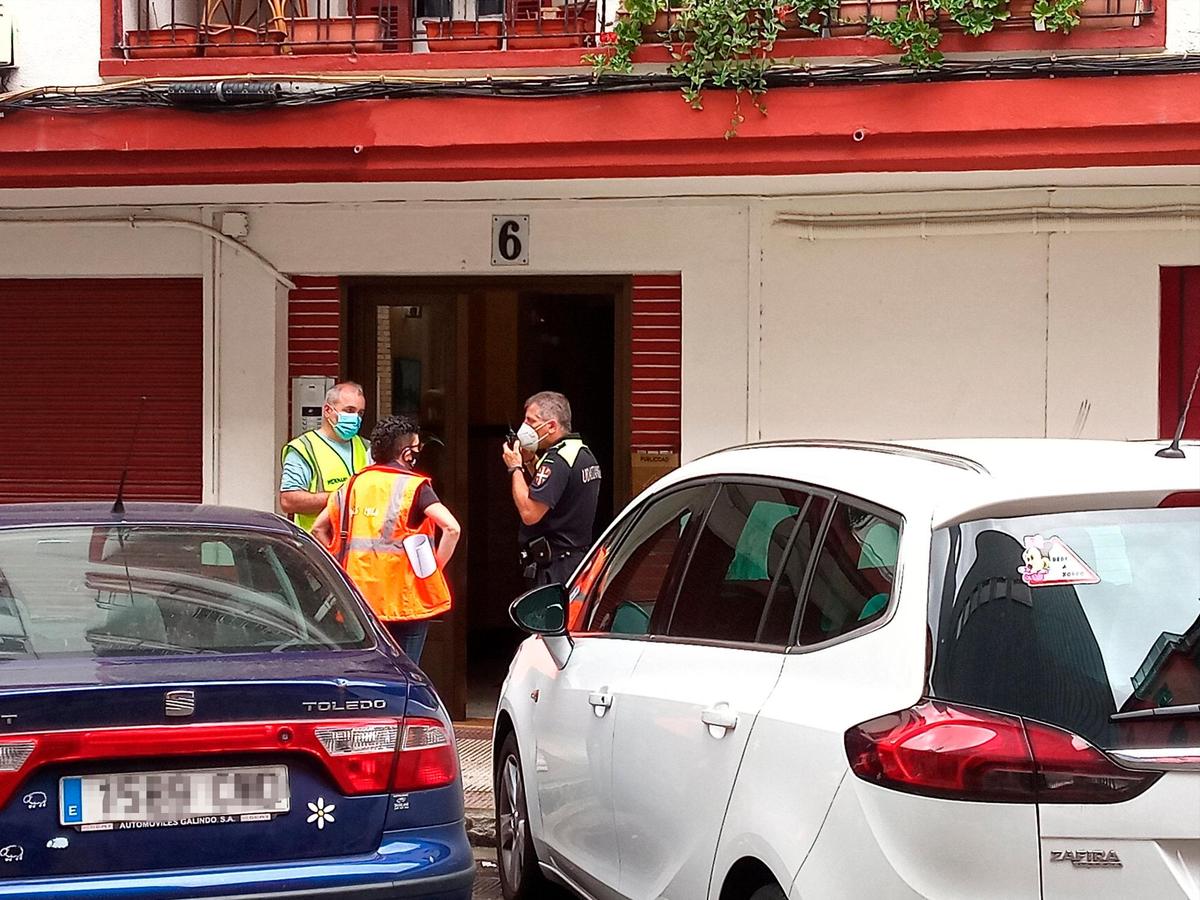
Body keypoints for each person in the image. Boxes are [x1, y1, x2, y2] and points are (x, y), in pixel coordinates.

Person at [312, 416, 461, 665]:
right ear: (406, 453)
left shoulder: (351, 486)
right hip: (405, 601)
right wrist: (433, 570)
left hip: (356, 601)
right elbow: (452, 528)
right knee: (403, 675)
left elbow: (318, 529)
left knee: (363, 674)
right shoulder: (415, 487)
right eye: (416, 449)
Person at [502, 391, 602, 589]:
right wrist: (530, 461)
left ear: (552, 426)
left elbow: (530, 513)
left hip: (556, 568)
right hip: (575, 561)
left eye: (531, 421)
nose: (525, 427)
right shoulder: (582, 453)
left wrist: (515, 468)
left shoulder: (557, 460)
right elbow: (556, 489)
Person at [279, 382, 371, 532]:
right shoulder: (304, 448)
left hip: (357, 548)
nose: (355, 418)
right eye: (349, 410)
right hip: (319, 548)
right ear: (328, 410)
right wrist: (342, 499)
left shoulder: (367, 447)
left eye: (360, 413)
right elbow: (288, 500)